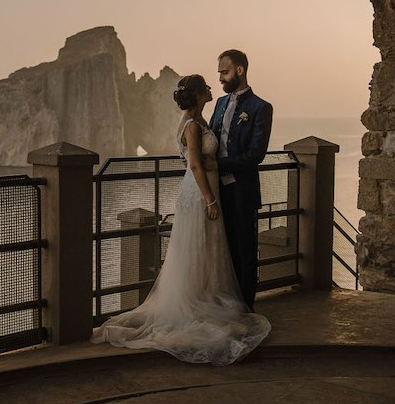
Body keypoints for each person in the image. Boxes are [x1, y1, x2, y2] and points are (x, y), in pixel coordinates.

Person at [91, 74, 271, 366]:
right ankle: (196, 305)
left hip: (203, 190)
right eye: (207, 88)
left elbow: (196, 157)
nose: (213, 88)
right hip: (201, 193)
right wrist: (210, 199)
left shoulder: (199, 120)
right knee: (198, 246)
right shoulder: (192, 124)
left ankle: (203, 295)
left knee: (204, 248)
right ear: (199, 95)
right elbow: (197, 165)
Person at [208, 49, 273, 311]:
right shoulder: (220, 104)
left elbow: (255, 155)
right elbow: (211, 137)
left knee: (245, 249)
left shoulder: (261, 108)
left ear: (240, 70)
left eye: (224, 72)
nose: (221, 78)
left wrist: (218, 164)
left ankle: (246, 308)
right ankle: (225, 301)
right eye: (219, 73)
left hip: (242, 190)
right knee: (223, 248)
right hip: (216, 188)